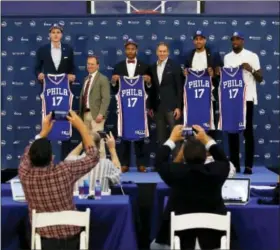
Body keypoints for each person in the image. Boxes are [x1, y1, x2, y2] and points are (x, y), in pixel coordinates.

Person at [18, 111, 100, 250]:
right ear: (52, 157)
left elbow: (26, 156)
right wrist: (81, 127)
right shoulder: (64, 171)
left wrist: (42, 133)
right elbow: (93, 156)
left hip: (43, 242)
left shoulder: (25, 175)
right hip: (72, 241)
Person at [153, 125, 230, 250]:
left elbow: (159, 162)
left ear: (183, 155)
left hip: (180, 240)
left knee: (155, 246)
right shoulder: (216, 172)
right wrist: (206, 139)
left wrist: (172, 139)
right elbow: (223, 160)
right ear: (206, 156)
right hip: (213, 241)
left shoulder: (175, 172)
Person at [34, 23, 76, 160]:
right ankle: (46, 159)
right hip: (49, 91)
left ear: (62, 35)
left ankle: (66, 160)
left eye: (58, 32)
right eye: (53, 32)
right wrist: (39, 75)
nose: (56, 34)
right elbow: (36, 68)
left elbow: (73, 68)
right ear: (49, 35)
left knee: (65, 121)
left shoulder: (68, 49)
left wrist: (72, 75)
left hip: (64, 91)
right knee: (48, 122)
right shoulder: (43, 49)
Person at [223, 31, 263, 174]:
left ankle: (248, 165)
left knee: (248, 132)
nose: (235, 42)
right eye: (233, 39)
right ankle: (234, 165)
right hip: (232, 99)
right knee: (232, 133)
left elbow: (261, 78)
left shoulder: (252, 56)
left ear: (243, 41)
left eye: (238, 39)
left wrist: (251, 69)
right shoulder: (227, 58)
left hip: (247, 98)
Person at [111, 39, 151, 173]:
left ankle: (141, 164)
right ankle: (124, 164)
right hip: (124, 107)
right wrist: (114, 81)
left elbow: (150, 89)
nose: (130, 51)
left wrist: (149, 82)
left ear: (136, 50)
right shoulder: (118, 66)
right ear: (125, 51)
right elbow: (114, 88)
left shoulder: (145, 66)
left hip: (139, 107)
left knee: (140, 135)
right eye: (128, 49)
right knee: (124, 136)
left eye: (132, 49)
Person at [184, 30, 222, 139]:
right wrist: (185, 73)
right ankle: (190, 151)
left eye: (201, 39)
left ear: (205, 40)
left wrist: (214, 74)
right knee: (191, 123)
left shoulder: (213, 55)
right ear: (193, 41)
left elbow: (221, 73)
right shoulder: (189, 55)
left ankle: (209, 153)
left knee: (209, 124)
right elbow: (185, 74)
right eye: (196, 39)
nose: (198, 41)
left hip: (208, 96)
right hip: (192, 96)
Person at [149, 42, 183, 152]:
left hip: (172, 107)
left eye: (164, 51)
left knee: (176, 136)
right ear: (156, 52)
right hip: (158, 108)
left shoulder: (175, 66)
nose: (162, 53)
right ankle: (161, 163)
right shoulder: (152, 67)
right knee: (161, 137)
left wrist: (178, 107)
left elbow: (179, 88)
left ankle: (177, 163)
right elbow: (152, 89)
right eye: (160, 51)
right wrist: (150, 106)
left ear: (168, 52)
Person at [79, 55, 110, 159]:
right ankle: (89, 165)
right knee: (87, 142)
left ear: (98, 66)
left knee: (99, 142)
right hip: (85, 114)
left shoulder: (103, 79)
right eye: (88, 64)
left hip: (97, 115)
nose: (90, 66)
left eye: (92, 64)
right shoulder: (86, 79)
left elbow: (106, 98)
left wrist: (101, 113)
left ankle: (103, 165)